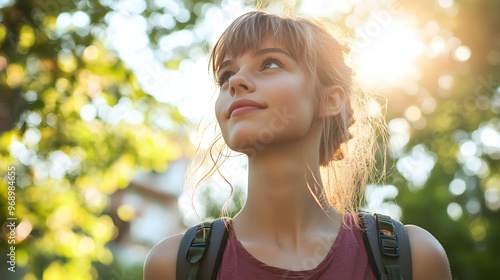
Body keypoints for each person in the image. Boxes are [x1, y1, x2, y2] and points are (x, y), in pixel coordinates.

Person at [143, 10, 452, 280]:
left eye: (270, 63)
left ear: (330, 99)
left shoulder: (414, 258)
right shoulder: (173, 265)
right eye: (226, 74)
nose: (236, 81)